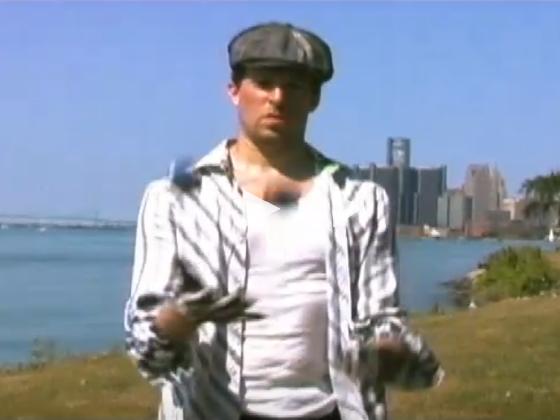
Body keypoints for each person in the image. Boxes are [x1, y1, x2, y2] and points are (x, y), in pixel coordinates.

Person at [124, 22, 443, 420]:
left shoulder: (361, 201)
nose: (278, 98)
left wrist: (390, 349)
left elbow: (382, 320)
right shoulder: (174, 199)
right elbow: (146, 347)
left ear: (314, 99)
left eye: (293, 86)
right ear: (234, 91)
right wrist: (179, 318)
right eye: (264, 83)